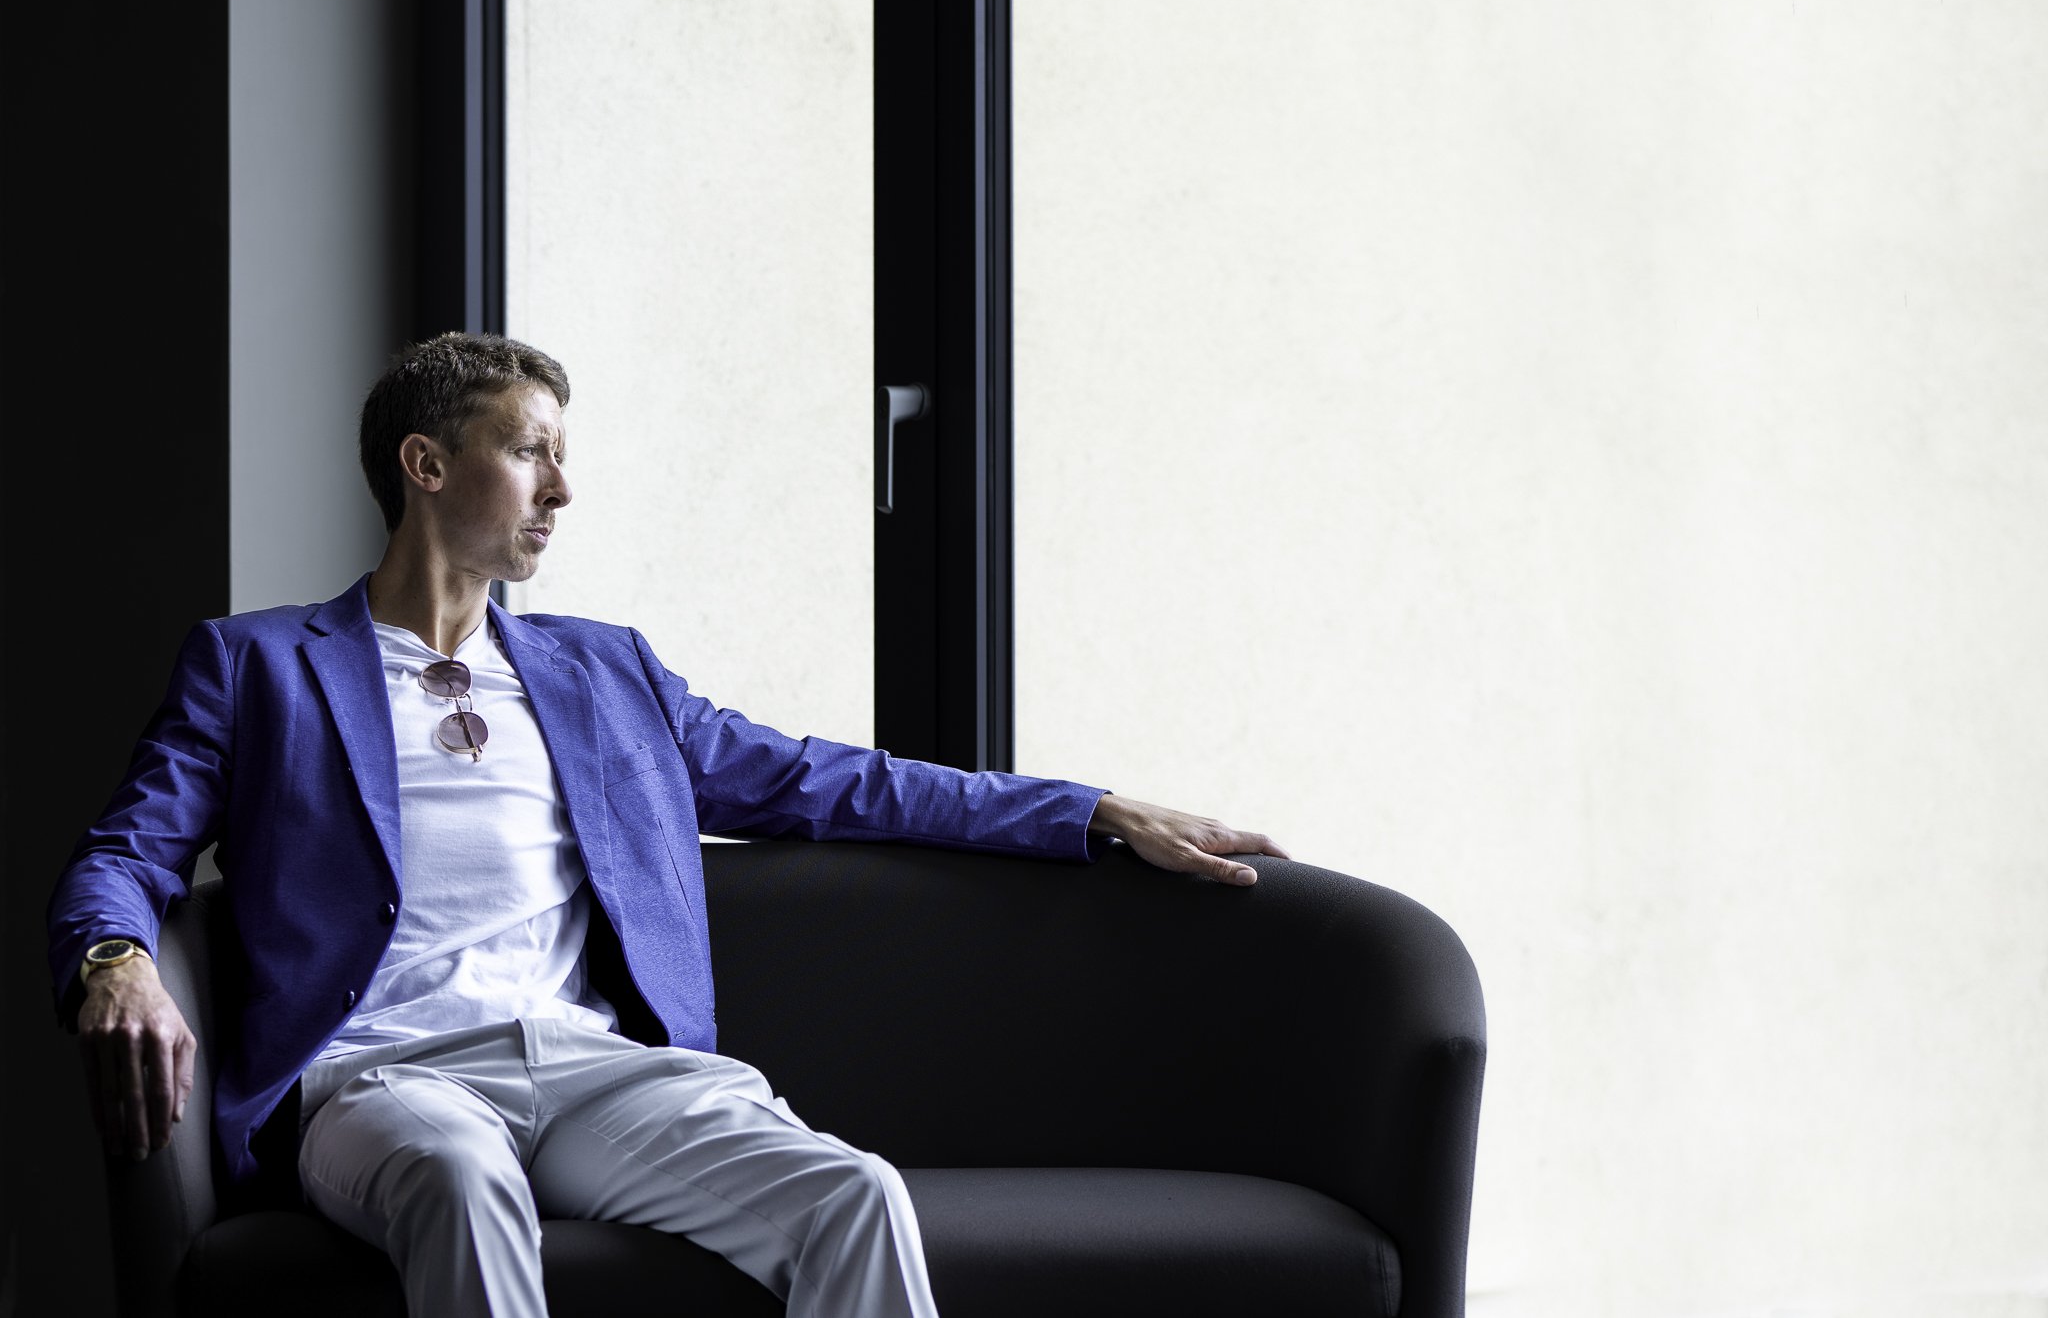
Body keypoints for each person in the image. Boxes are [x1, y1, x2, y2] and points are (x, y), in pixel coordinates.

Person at [45, 332, 1289, 1318]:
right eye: (531, 452)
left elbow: (827, 780)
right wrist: (116, 962)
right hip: (382, 1079)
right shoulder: (260, 664)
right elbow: (128, 849)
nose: (563, 489)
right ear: (426, 466)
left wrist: (1091, 811)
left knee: (850, 1196)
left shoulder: (603, 675)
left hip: (594, 1072)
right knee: (459, 1180)